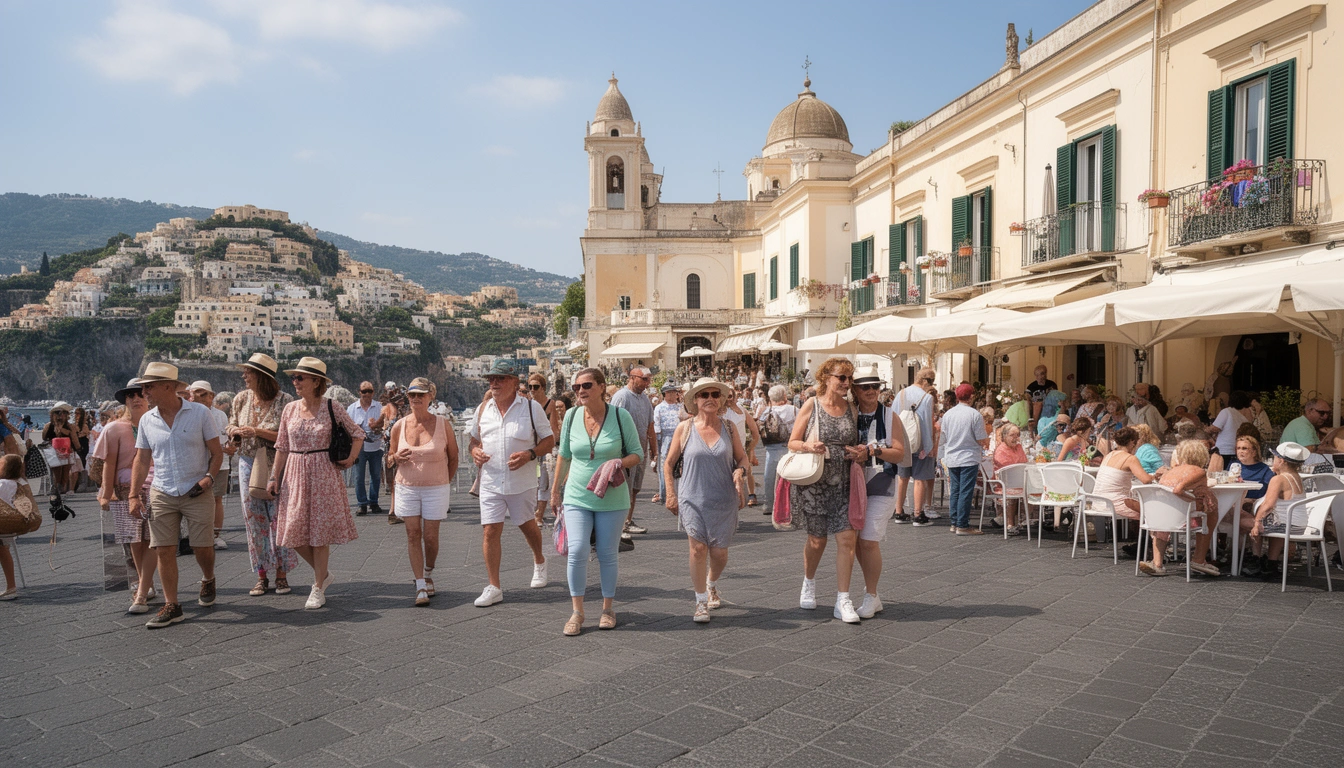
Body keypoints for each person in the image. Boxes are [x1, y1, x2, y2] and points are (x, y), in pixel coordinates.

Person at [128, 363, 224, 629]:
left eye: (149, 387)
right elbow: (142, 458)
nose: (144, 392)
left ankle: (208, 577)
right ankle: (172, 605)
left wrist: (208, 478)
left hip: (197, 488)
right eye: (143, 387)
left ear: (168, 386)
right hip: (162, 490)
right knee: (164, 549)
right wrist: (134, 495)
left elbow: (217, 453)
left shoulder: (200, 414)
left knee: (201, 546)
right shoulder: (147, 419)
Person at [549, 367, 643, 636]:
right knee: (577, 550)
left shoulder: (619, 415)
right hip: (577, 494)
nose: (581, 391)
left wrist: (618, 462)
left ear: (602, 387)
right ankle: (577, 611)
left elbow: (637, 454)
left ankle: (607, 608)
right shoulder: (571, 415)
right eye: (577, 387)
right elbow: (564, 455)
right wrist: (556, 492)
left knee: (606, 553)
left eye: (587, 385)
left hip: (612, 497)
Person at [265, 357, 363, 610]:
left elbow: (357, 433)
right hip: (295, 472)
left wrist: (351, 458)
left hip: (323, 472)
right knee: (292, 533)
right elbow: (282, 447)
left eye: (300, 378)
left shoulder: (332, 406)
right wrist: (274, 476)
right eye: (294, 377)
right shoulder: (289, 409)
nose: (294, 382)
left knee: (320, 534)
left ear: (316, 381)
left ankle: (318, 586)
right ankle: (325, 574)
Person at [788, 356, 871, 623]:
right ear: (826, 378)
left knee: (847, 540)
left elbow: (859, 441)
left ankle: (842, 599)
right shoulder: (811, 405)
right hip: (815, 482)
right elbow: (793, 442)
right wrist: (809, 446)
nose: (847, 383)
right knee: (817, 540)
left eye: (849, 378)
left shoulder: (853, 408)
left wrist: (860, 452)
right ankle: (809, 581)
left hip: (845, 481)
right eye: (841, 378)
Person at [466, 360, 553, 607]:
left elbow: (549, 440)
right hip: (491, 481)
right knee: (490, 530)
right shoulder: (483, 409)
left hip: (522, 481)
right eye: (491, 379)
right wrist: (475, 452)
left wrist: (530, 454)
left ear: (515, 382)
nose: (494, 383)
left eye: (500, 378)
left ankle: (539, 560)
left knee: (526, 525)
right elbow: (473, 441)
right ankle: (494, 586)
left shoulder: (531, 407)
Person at [663, 377, 749, 622]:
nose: (710, 398)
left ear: (720, 399)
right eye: (704, 395)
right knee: (698, 549)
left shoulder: (729, 427)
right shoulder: (685, 428)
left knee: (720, 554)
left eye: (714, 394)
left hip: (724, 498)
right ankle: (700, 601)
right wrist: (671, 493)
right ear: (695, 401)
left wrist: (740, 471)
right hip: (692, 497)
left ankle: (711, 582)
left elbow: (742, 458)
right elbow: (668, 464)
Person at [227, 353, 297, 598]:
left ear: (261, 376)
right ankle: (261, 574)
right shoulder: (240, 399)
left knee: (277, 518)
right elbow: (230, 424)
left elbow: (287, 436)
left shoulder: (285, 402)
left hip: (277, 464)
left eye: (248, 372)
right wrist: (234, 433)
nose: (244, 375)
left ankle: (281, 572)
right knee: (253, 521)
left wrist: (256, 431)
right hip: (248, 462)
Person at [389, 377, 459, 606]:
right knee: (412, 534)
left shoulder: (442, 424)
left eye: (421, 394)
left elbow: (454, 457)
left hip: (436, 488)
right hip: (407, 487)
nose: (416, 399)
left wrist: (444, 482)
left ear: (431, 397)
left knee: (430, 537)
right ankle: (420, 584)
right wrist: (395, 458)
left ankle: (428, 570)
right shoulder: (399, 426)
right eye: (412, 395)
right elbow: (389, 457)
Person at [95, 378, 159, 613]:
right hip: (125, 489)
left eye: (140, 393)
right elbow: (108, 463)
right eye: (130, 395)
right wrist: (106, 492)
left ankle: (143, 588)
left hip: (155, 486)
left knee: (153, 539)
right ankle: (146, 584)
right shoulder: (114, 428)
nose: (135, 398)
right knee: (134, 540)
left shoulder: (158, 422)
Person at [850, 366, 907, 616]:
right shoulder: (848, 414)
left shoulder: (889, 415)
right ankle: (873, 592)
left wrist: (874, 451)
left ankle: (871, 595)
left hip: (881, 484)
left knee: (869, 540)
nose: (872, 391)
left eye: (876, 386)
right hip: (852, 485)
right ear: (855, 389)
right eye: (866, 387)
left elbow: (900, 453)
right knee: (858, 543)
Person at [1144, 439, 1219, 578]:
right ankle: (1199, 559)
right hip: (1182, 520)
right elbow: (1178, 490)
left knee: (1167, 515)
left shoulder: (1169, 472)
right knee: (1210, 512)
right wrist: (1195, 499)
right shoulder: (1199, 471)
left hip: (1161, 519)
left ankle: (1157, 563)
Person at [1247, 442, 1309, 578]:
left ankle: (1255, 559)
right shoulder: (1296, 477)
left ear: (1281, 461)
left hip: (1285, 526)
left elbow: (1268, 505)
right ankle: (1271, 563)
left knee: (1246, 521)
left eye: (1274, 457)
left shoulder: (1278, 479)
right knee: (1271, 519)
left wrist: (1257, 522)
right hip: (1298, 525)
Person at [610, 366, 655, 537]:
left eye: (648, 379)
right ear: (632, 377)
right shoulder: (622, 397)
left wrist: (653, 450)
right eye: (644, 379)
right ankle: (619, 526)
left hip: (640, 451)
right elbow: (613, 423)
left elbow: (650, 425)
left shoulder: (644, 399)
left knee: (635, 488)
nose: (647, 383)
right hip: (625, 453)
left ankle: (627, 521)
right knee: (623, 489)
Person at [187, 381, 232, 551]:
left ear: (212, 396)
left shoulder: (219, 415)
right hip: (196, 463)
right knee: (194, 500)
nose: (201, 398)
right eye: (197, 394)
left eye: (205, 394)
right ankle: (196, 535)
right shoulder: (188, 413)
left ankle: (215, 535)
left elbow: (224, 438)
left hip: (219, 463)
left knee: (217, 499)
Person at [941, 383, 990, 536]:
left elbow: (943, 436)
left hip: (952, 456)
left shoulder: (948, 414)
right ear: (971, 396)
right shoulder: (974, 414)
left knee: (955, 490)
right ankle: (962, 524)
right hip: (968, 457)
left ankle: (955, 522)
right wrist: (986, 441)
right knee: (965, 491)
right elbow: (981, 438)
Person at [894, 367, 936, 526]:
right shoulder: (927, 397)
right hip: (920, 443)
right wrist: (929, 446)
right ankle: (918, 514)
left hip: (903, 442)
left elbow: (894, 416)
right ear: (926, 381)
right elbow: (927, 423)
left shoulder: (902, 393)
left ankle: (899, 512)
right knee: (920, 478)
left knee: (902, 477)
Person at [527, 373, 562, 525]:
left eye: (536, 387)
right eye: (530, 387)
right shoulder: (527, 404)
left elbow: (553, 429)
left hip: (544, 449)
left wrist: (550, 448)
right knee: (532, 481)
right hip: (530, 449)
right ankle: (532, 512)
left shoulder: (550, 404)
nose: (533, 390)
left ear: (543, 388)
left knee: (544, 482)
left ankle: (539, 515)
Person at [347, 381, 386, 516]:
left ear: (373, 392)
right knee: (359, 477)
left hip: (376, 447)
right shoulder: (352, 409)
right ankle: (362, 504)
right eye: (364, 391)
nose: (367, 394)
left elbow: (385, 425)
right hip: (359, 448)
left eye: (369, 391)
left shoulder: (380, 407)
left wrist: (378, 429)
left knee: (375, 476)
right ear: (359, 392)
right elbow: (347, 427)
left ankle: (374, 502)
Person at [759, 384, 798, 514]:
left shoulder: (767, 411)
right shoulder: (794, 410)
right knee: (791, 478)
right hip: (790, 448)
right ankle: (791, 506)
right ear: (785, 396)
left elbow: (760, 424)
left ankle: (769, 504)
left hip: (772, 448)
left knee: (769, 477)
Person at [721, 386, 762, 507]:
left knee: (747, 471)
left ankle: (751, 494)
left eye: (730, 396)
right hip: (724, 449)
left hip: (741, 448)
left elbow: (755, 431)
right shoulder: (718, 411)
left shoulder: (742, 410)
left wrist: (751, 449)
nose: (728, 399)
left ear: (734, 396)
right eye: (725, 396)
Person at [379, 381, 411, 524]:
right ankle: (396, 511)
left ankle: (394, 511)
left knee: (394, 482)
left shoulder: (388, 410)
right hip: (397, 449)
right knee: (398, 481)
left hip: (390, 449)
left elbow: (380, 427)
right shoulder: (401, 414)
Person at [0, 454, 28, 599]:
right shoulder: (19, 482)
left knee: (1, 547)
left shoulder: (4, 484)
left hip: (4, 524)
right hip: (10, 524)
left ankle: (11, 587)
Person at [993, 424, 1029, 535]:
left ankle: (1028, 519)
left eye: (1017, 435)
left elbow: (1024, 462)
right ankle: (1010, 524)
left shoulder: (1018, 447)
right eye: (1012, 435)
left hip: (1019, 480)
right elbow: (1004, 469)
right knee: (1013, 491)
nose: (1015, 438)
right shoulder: (1001, 449)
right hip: (1004, 483)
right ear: (1004, 436)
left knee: (1035, 487)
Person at [651, 382, 683, 505]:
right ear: (665, 394)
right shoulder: (659, 407)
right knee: (665, 464)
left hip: (679, 435)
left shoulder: (679, 407)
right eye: (670, 392)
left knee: (681, 464)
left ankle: (680, 494)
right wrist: (658, 440)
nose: (673, 394)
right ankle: (664, 494)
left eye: (674, 392)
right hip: (665, 437)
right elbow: (656, 424)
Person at [1208, 391, 1252, 466]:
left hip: (1223, 450)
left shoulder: (1226, 412)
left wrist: (1206, 429)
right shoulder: (1244, 418)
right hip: (1236, 450)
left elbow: (1215, 428)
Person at [44, 402, 77, 494]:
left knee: (65, 472)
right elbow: (44, 437)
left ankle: (61, 489)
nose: (60, 415)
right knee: (57, 471)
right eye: (58, 412)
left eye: (63, 413)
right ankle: (57, 489)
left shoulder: (69, 426)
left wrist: (78, 448)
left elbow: (73, 437)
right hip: (53, 451)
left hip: (67, 450)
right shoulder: (49, 426)